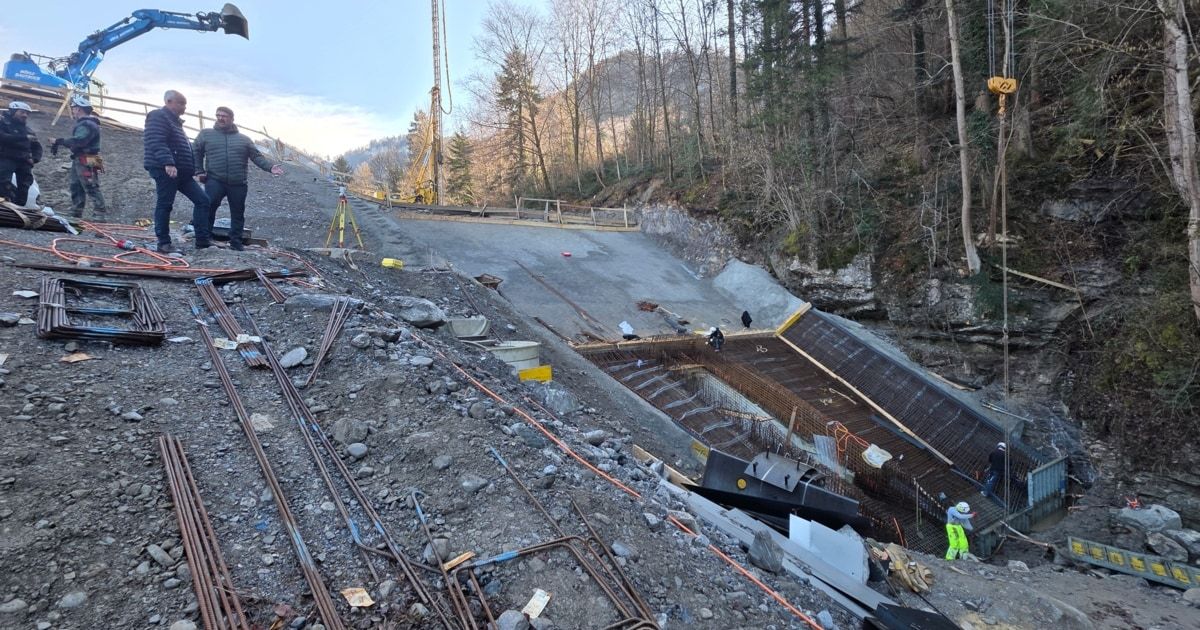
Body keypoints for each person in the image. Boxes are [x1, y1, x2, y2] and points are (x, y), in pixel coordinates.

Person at [193, 106, 283, 250]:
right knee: (208, 208)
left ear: (232, 118)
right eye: (218, 116)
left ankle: (236, 242)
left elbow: (256, 156)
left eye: (224, 116)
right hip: (214, 180)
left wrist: (270, 167)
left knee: (238, 212)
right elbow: (196, 151)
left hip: (238, 183)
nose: (221, 118)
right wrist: (198, 171)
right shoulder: (206, 134)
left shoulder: (244, 140)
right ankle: (204, 240)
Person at [144, 90, 209, 253]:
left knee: (203, 201)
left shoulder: (175, 122)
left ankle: (202, 241)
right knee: (165, 204)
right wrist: (168, 162)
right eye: (181, 103)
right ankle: (164, 243)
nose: (184, 107)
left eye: (185, 104)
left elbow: (181, 147)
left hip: (182, 173)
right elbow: (156, 140)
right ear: (169, 101)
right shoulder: (158, 116)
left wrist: (192, 169)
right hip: (165, 169)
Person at [53, 96, 106, 218]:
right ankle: (76, 211)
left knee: (90, 185)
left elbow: (79, 141)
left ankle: (99, 214)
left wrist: (59, 141)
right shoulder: (89, 123)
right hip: (86, 158)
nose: (73, 111)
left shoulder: (86, 124)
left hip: (86, 158)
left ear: (79, 109)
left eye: (74, 108)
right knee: (76, 185)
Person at [0, 101, 42, 206]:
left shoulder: (28, 130)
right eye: (22, 112)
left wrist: (35, 159)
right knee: (4, 183)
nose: (25, 115)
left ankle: (20, 210)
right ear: (13, 112)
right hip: (6, 158)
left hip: (24, 161)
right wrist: (23, 138)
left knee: (25, 186)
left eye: (27, 113)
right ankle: (5, 206)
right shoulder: (3, 124)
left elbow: (37, 147)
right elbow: (4, 137)